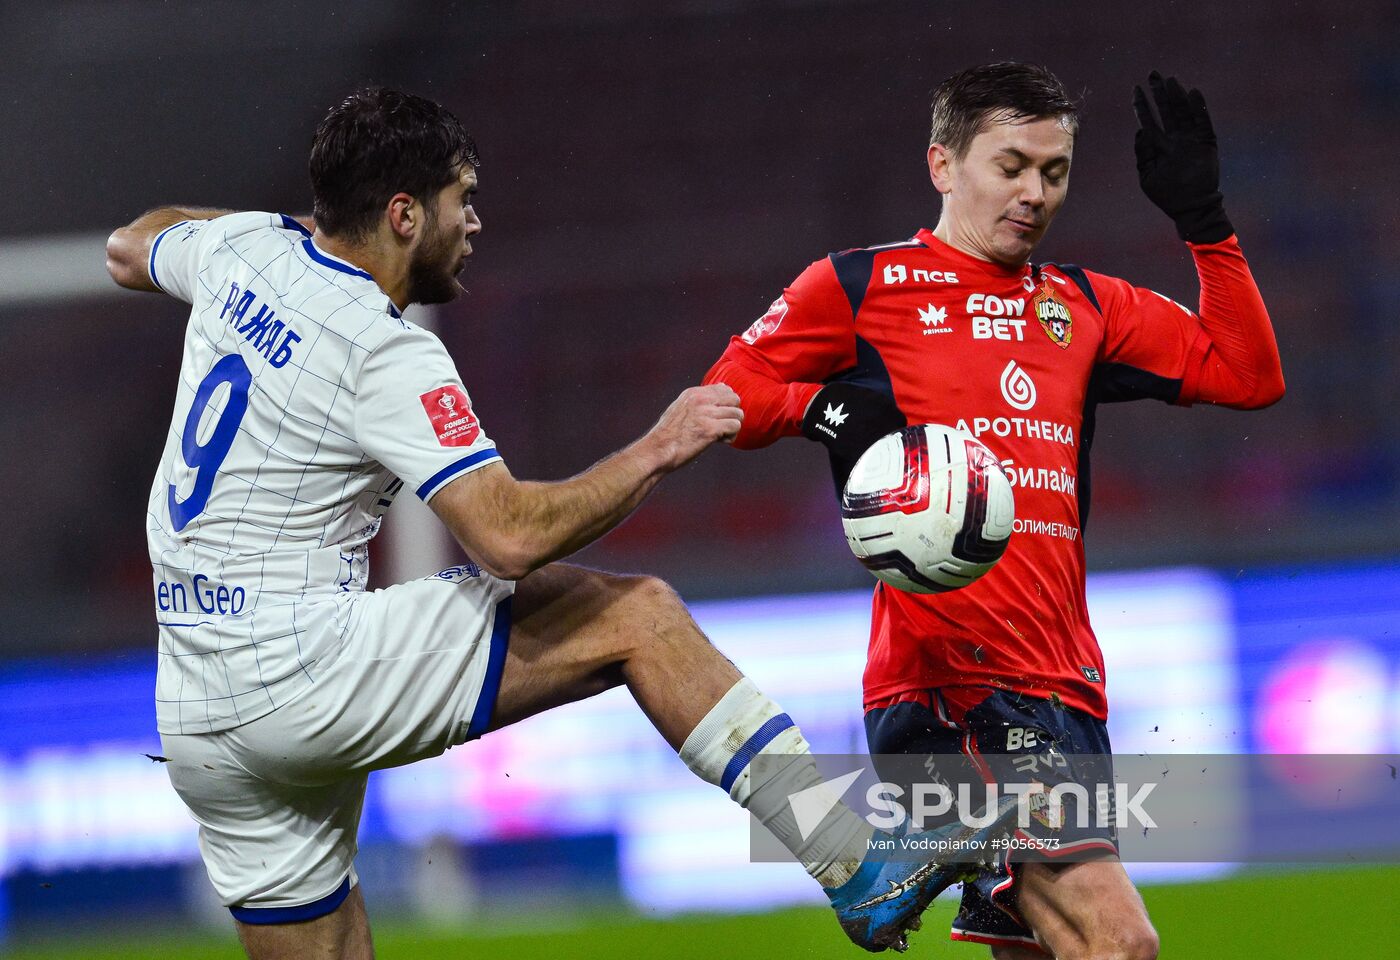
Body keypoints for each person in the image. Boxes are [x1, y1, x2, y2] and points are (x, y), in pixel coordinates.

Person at [105, 87, 1016, 960]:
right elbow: (503, 537)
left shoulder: (242, 252)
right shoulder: (383, 347)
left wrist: (253, 237)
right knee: (638, 618)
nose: (475, 224)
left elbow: (128, 245)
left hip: (193, 701)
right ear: (403, 216)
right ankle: (853, 864)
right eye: (461, 200)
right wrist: (657, 447)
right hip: (299, 664)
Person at [703, 63, 1284, 959]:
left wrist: (1203, 224)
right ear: (942, 163)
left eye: (1054, 173)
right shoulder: (859, 288)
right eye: (1010, 165)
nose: (1034, 193)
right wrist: (825, 411)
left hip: (1066, 687)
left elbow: (1248, 375)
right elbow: (725, 395)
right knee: (1119, 943)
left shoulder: (1083, 306)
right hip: (950, 688)